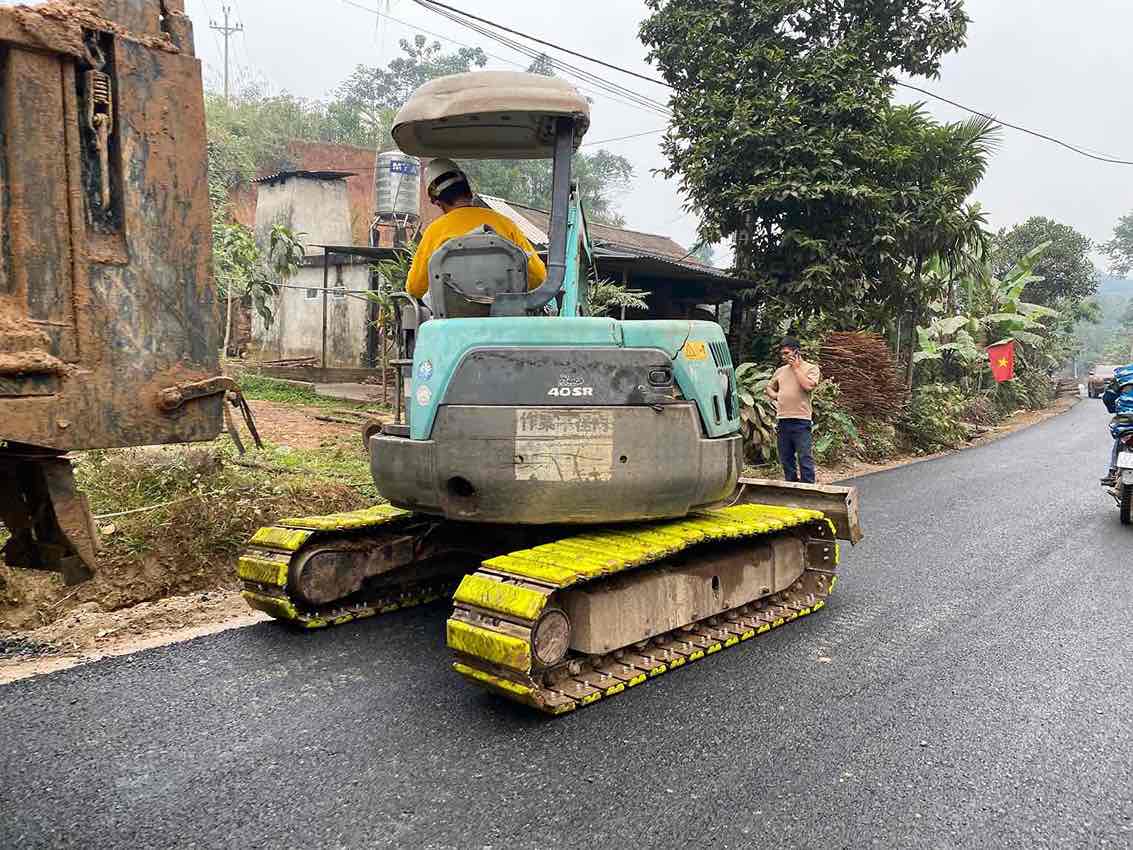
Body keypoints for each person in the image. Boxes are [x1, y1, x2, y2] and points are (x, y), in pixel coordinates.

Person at [405, 158, 547, 300]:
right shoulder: (505, 224)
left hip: (452, 319)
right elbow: (539, 278)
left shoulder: (435, 231)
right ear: (469, 191)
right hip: (506, 317)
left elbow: (415, 289)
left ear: (438, 202)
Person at [765, 336, 821, 484]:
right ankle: (791, 487)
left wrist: (796, 368)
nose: (783, 356)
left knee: (804, 456)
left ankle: (808, 489)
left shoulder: (811, 368)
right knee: (786, 457)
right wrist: (777, 396)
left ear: (796, 352)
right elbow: (769, 387)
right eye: (782, 353)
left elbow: (808, 386)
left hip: (801, 420)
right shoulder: (780, 371)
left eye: (787, 353)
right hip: (783, 419)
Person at [1100, 363, 1133, 486]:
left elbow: (1108, 397)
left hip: (1126, 422)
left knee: (1122, 437)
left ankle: (1112, 471)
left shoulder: (1123, 373)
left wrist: (1112, 408)